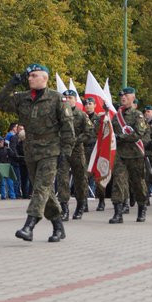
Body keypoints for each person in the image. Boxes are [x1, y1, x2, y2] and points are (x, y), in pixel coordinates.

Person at [0, 63, 74, 242]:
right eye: (29, 76)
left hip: (51, 150)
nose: (30, 78)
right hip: (30, 150)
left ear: (44, 78)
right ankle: (58, 227)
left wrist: (65, 153)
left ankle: (29, 225)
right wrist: (11, 84)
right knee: (45, 191)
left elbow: (68, 128)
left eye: (34, 76)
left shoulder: (57, 99)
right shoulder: (22, 98)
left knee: (40, 188)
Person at [108, 87, 148, 224]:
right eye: (121, 96)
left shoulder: (138, 115)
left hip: (135, 154)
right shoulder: (115, 116)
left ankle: (142, 208)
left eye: (126, 95)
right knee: (118, 182)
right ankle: (118, 213)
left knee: (138, 183)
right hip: (120, 155)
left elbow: (139, 133)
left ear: (132, 97)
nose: (123, 98)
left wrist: (121, 136)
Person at [57, 90, 93, 220]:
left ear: (75, 100)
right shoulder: (59, 114)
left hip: (77, 151)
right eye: (65, 97)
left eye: (70, 97)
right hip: (63, 151)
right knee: (62, 179)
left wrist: (76, 140)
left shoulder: (82, 115)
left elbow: (89, 133)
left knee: (80, 179)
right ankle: (64, 208)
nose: (67, 99)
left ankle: (80, 205)